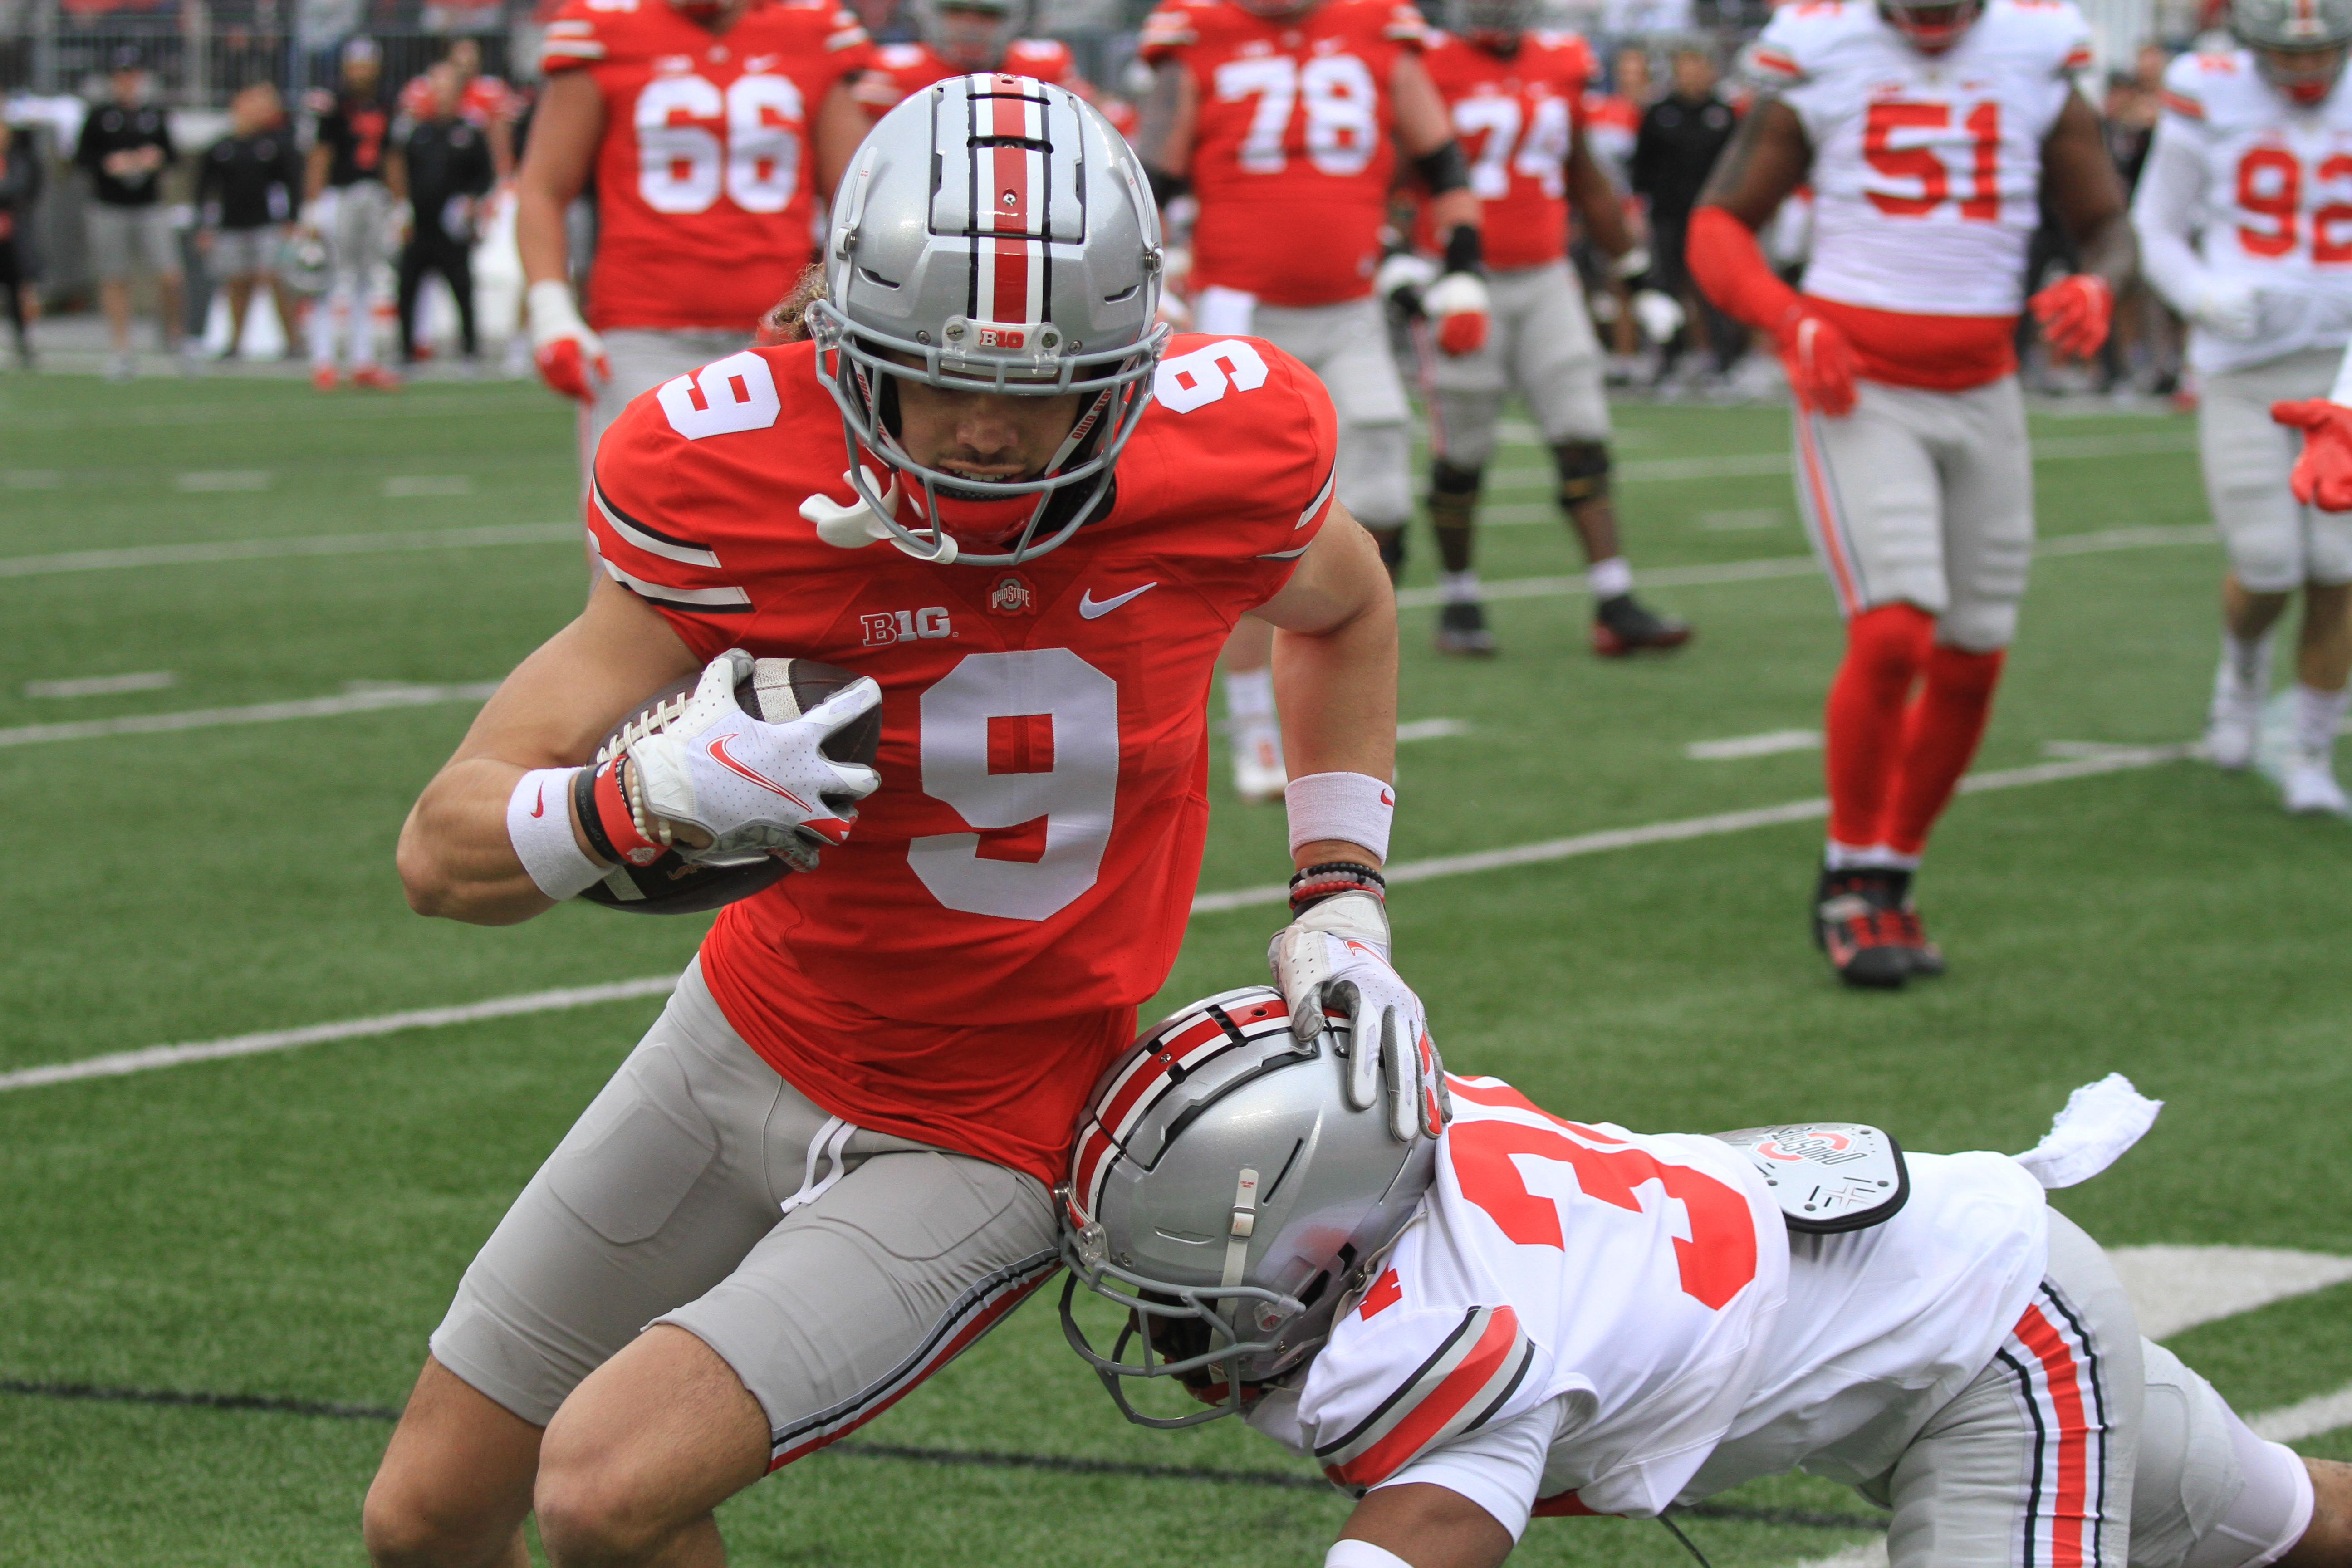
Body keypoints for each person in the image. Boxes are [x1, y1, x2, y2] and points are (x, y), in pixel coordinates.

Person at [363, 76, 1431, 1568]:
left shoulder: (1217, 460)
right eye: (945, 379)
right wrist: (641, 796)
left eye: (1042, 389)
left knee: (604, 1490)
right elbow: (443, 849)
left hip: (992, 1116)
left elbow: (1351, 602)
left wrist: (1340, 886)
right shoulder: (738, 477)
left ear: (1129, 371)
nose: (992, 432)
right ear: (854, 348)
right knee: (423, 1517)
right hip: (738, 1038)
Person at [1061, 986, 2352, 1568]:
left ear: (1328, 1235)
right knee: (2286, 1519)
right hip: (1957, 1284)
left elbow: (1417, 1544)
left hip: (2001, 1352)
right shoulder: (1426, 1143)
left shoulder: (1466, 1337)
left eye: (1195, 1290)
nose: (1180, 1332)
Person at [1686, 0, 2135, 988]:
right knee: (1894, 630)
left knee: (1974, 654)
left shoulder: (2035, 51)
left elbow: (2105, 222)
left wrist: (2099, 285)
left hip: (1985, 387)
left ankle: (1894, 871)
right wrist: (1786, 316)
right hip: (1860, 384)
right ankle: (1849, 878)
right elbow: (1719, 225)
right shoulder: (1824, 47)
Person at [1132, 0, 1486, 799]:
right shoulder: (1198, 35)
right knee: (1261, 523)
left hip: (1350, 307)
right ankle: (1256, 728)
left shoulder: (1377, 27)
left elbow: (1440, 159)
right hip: (1238, 310)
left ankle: (1346, 708)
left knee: (1384, 493)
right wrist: (1151, 272)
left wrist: (1464, 261)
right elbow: (1149, 172)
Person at [1405, 0, 1690, 657]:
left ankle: (1614, 599)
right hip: (1462, 280)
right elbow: (1395, 172)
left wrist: (1637, 277)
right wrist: (1400, 257)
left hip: (1544, 274)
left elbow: (1585, 177)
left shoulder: (1562, 60)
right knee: (1464, 451)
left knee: (1582, 432)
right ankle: (1459, 597)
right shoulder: (1430, 62)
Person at [2136, 0, 2352, 817]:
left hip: (2341, 362)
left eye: (2323, 55)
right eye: (2289, 57)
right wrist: (2199, 294)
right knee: (2266, 560)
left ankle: (2308, 751)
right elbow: (2153, 224)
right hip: (2243, 365)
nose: (2306, 72)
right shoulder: (2208, 89)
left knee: (2335, 566)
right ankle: (2239, 670)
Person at [520, 0, 875, 478]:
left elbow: (857, 196)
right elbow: (543, 188)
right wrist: (551, 312)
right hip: (643, 334)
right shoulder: (605, 27)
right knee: (636, 525)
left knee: (788, 526)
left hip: (784, 334)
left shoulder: (811, 28)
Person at [74, 46, 185, 381]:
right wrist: (110, 164)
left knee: (169, 274)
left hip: (149, 205)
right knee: (114, 277)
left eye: (131, 75)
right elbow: (82, 158)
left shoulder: (155, 113)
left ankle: (175, 337)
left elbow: (173, 155)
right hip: (109, 206)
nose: (126, 82)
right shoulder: (99, 115)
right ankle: (122, 348)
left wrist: (155, 159)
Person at [1630, 43, 1736, 383]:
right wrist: (1641, 207)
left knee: (1714, 288)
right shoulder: (1659, 113)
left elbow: (1737, 168)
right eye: (1685, 68)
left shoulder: (1724, 114)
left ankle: (1724, 362)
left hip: (1711, 217)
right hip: (1667, 215)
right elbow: (1642, 166)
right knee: (1666, 286)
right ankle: (1668, 361)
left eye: (1697, 67)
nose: (1691, 75)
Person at [304, 36, 402, 390]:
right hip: (339, 194)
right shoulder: (334, 104)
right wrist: (312, 207)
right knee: (330, 278)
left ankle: (363, 360)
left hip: (372, 194)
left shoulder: (385, 102)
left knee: (366, 278)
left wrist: (400, 206)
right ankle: (324, 359)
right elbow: (321, 155)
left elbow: (391, 155)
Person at [396, 62, 495, 369]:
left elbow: (486, 175)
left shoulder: (469, 132)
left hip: (453, 229)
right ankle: (406, 350)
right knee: (407, 286)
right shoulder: (418, 132)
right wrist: (402, 212)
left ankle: (469, 348)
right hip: (421, 223)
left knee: (462, 288)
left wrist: (471, 201)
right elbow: (404, 174)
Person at [196, 83, 304, 361]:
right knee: (238, 282)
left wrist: (292, 219)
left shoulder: (275, 145)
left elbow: (292, 184)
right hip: (231, 225)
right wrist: (205, 226)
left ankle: (293, 342)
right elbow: (205, 189)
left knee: (276, 279)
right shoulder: (222, 147)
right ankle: (235, 342)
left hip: (267, 224)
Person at [852, 0, 1093, 115]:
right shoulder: (892, 70)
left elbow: (1107, 127)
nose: (971, 27)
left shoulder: (1046, 64)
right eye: (956, 12)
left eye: (988, 15)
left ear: (1015, 19)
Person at [398, 37, 519, 181]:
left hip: (474, 161)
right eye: (462, 52)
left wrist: (503, 174)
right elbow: (404, 134)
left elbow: (502, 133)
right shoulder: (425, 87)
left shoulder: (490, 90)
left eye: (472, 53)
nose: (467, 59)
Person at [0, 117, 39, 369]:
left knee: (17, 289)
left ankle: (24, 342)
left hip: (12, 232)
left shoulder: (18, 159)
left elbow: (22, 189)